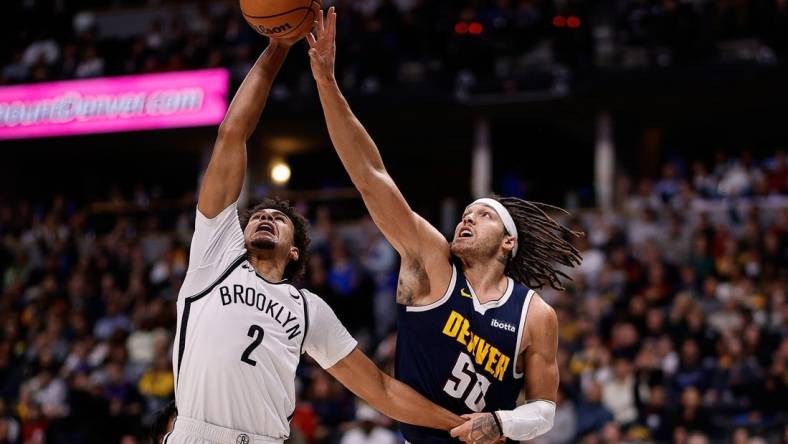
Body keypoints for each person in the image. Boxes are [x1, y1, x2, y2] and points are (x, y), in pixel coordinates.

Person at [167, 37, 465, 444]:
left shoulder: (308, 310)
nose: (266, 217)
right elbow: (232, 134)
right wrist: (276, 48)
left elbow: (380, 390)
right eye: (257, 216)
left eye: (279, 218)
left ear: (295, 251)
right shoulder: (215, 257)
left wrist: (459, 424)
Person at [306, 9, 582, 443]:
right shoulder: (431, 261)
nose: (468, 217)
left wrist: (502, 422)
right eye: (466, 212)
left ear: (509, 241)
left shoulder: (536, 315)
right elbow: (370, 176)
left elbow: (544, 410)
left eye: (484, 214)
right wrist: (326, 83)